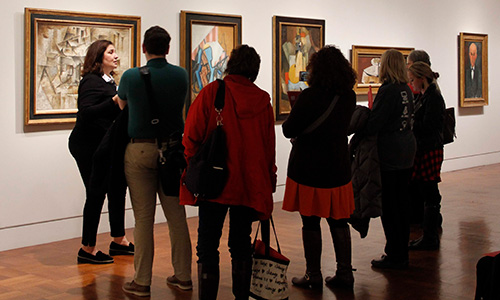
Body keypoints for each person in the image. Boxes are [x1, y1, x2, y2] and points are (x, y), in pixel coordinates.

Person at [180, 44, 277, 300]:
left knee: (207, 246)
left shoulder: (214, 92)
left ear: (230, 65)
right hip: (249, 183)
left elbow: (191, 135)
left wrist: (196, 164)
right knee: (241, 244)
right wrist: (269, 179)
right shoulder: (263, 100)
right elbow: (269, 148)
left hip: (215, 181)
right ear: (255, 69)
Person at [116, 26, 192, 297]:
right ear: (168, 48)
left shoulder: (130, 76)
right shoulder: (181, 74)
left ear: (143, 48)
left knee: (143, 218)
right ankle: (183, 276)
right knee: (176, 217)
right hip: (172, 151)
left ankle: (142, 281)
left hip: (140, 151)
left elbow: (122, 105)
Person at [281, 45, 357, 290]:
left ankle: (313, 274)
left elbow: (288, 129)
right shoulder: (348, 96)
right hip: (337, 166)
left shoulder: (309, 96)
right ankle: (345, 273)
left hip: (309, 167)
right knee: (339, 221)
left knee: (310, 222)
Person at [68, 39, 134, 265]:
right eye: (111, 52)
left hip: (106, 146)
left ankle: (119, 239)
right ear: (99, 57)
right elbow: (86, 113)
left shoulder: (109, 81)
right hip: (87, 146)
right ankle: (87, 248)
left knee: (117, 188)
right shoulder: (90, 81)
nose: (116, 56)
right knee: (96, 193)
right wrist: (115, 102)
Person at [366, 49, 416, 269]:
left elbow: (376, 122)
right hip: (406, 150)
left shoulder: (388, 91)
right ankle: (400, 252)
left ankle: (395, 253)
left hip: (391, 154)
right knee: (402, 202)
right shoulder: (406, 88)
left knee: (390, 205)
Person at [407, 62, 445, 250]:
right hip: (426, 148)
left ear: (421, 78)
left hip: (430, 149)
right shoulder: (427, 96)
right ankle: (428, 235)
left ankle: (430, 237)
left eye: (413, 79)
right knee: (427, 190)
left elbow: (429, 125)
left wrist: (412, 124)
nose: (411, 83)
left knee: (429, 190)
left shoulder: (433, 98)